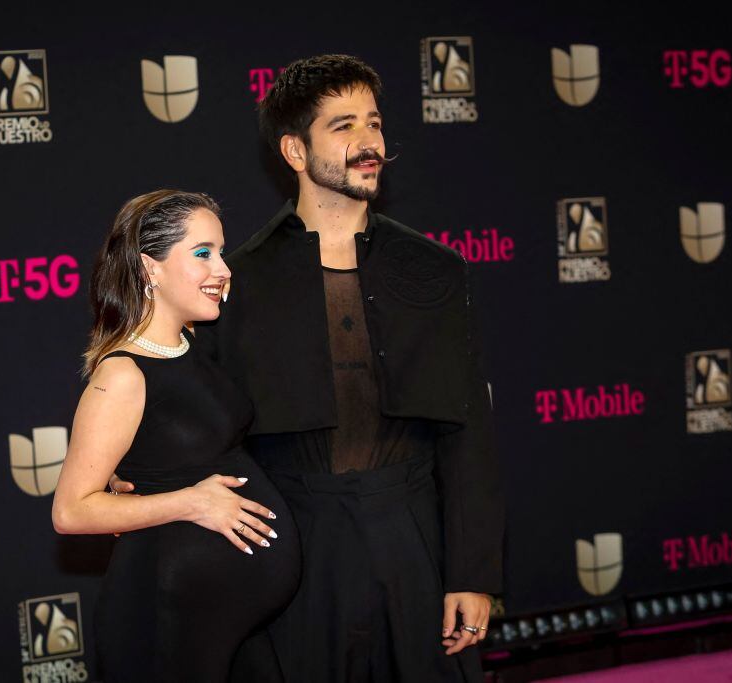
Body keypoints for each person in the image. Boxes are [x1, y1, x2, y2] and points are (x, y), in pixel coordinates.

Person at [114, 55, 504, 682]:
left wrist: (473, 574)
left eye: (373, 124)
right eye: (343, 126)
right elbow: (185, 404)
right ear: (295, 150)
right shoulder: (235, 280)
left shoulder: (434, 270)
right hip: (292, 550)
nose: (368, 142)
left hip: (416, 543)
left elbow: (470, 432)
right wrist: (133, 480)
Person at [52, 190, 301, 682]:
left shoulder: (193, 346)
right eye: (203, 253)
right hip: (164, 618)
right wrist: (190, 503)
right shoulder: (122, 373)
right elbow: (71, 510)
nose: (223, 268)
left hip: (228, 620)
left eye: (221, 252)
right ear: (150, 269)